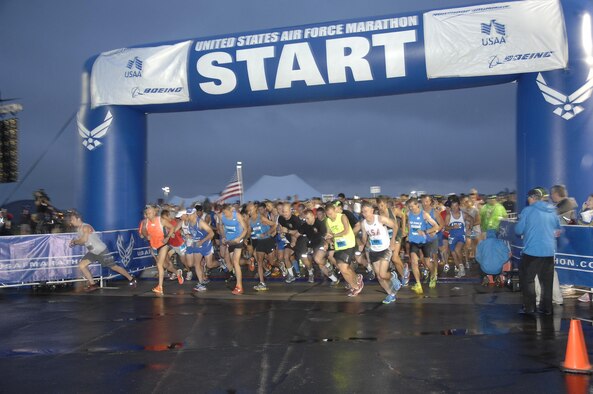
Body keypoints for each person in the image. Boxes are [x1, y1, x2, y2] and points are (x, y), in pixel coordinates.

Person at [515, 187, 561, 316]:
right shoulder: (552, 210)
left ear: (533, 197)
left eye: (528, 198)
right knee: (547, 282)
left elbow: (518, 230)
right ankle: (547, 308)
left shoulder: (528, 211)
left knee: (527, 280)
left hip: (532, 251)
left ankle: (530, 307)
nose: (528, 200)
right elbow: (558, 229)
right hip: (548, 251)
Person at [68, 210, 136, 292]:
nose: (71, 222)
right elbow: (84, 242)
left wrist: (75, 242)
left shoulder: (85, 227)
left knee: (114, 267)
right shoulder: (79, 229)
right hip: (93, 252)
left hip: (101, 251)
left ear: (78, 218)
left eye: (72, 219)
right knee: (82, 265)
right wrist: (75, 242)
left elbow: (84, 240)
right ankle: (93, 284)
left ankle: (131, 279)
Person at [357, 201, 401, 304]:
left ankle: (393, 276)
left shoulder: (380, 219)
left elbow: (395, 226)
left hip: (385, 249)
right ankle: (391, 294)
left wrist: (393, 240)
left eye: (366, 211)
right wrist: (362, 244)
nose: (365, 214)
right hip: (374, 250)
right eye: (363, 212)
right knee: (379, 277)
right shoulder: (363, 224)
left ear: (372, 210)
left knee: (383, 274)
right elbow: (364, 236)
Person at [325, 202, 364, 296]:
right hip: (339, 246)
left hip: (349, 244)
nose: (330, 216)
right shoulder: (328, 221)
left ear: (335, 210)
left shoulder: (342, 216)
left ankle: (356, 286)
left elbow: (346, 231)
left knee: (344, 267)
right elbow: (329, 233)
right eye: (328, 214)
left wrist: (334, 235)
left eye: (331, 213)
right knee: (342, 268)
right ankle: (355, 280)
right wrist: (328, 239)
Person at [406, 198, 439, 294]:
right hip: (414, 242)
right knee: (414, 262)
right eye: (409, 206)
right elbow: (409, 224)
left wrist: (425, 232)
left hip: (424, 242)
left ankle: (433, 275)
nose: (411, 208)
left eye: (412, 206)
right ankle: (418, 284)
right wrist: (408, 234)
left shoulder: (424, 214)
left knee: (427, 263)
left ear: (417, 205)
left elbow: (436, 226)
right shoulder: (409, 214)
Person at [219, 204, 248, 295]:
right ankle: (248, 261)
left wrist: (239, 238)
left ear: (231, 210)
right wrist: (223, 237)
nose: (226, 215)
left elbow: (245, 229)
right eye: (224, 213)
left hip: (238, 240)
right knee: (234, 262)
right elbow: (221, 226)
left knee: (235, 262)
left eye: (227, 212)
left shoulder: (237, 215)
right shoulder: (221, 216)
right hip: (230, 241)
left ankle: (239, 287)